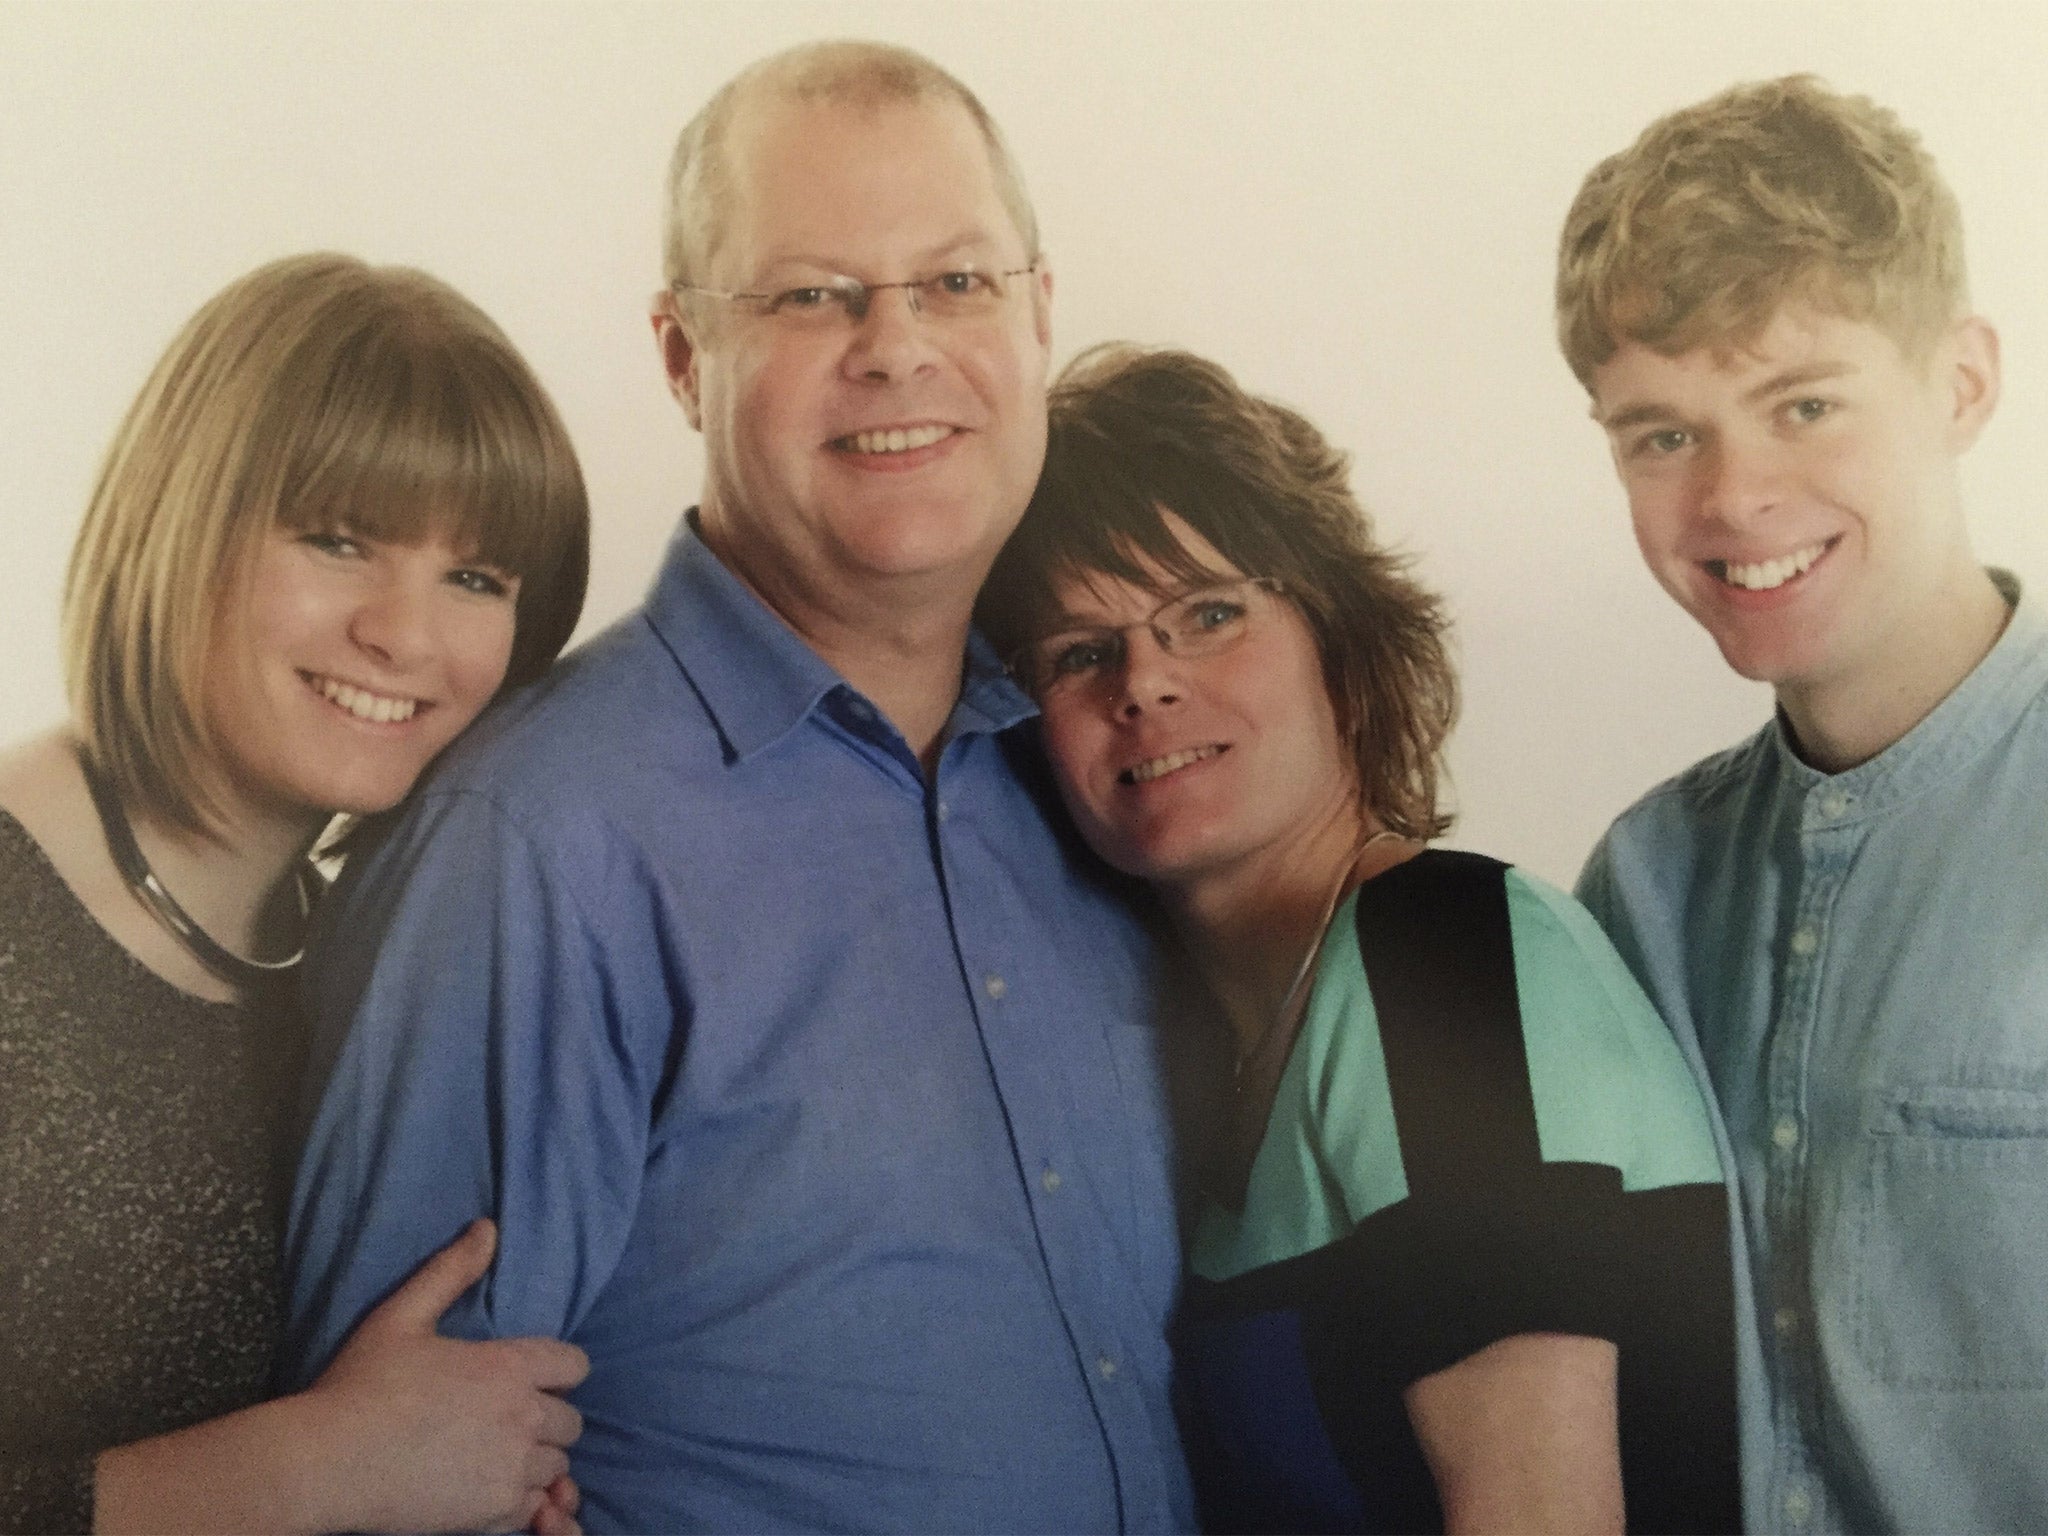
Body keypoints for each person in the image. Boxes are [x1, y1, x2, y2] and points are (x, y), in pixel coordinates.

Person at [280, 41, 1191, 1534]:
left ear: (1037, 314)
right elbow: (382, 1488)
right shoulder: (537, 851)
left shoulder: (1105, 776)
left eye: (954, 282)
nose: (895, 347)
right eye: (811, 294)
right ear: (683, 356)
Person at [976, 343, 1740, 1535]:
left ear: (1338, 638)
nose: (1144, 684)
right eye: (1080, 653)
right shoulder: (1226, 1028)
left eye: (1207, 613)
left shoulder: (1442, 961)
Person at [0, 253, 593, 1534]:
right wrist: (321, 1468)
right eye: (338, 539)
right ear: (181, 519)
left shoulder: (362, 949)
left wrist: (465, 1474)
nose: (408, 635)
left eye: (477, 578)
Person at [1559, 75, 2046, 1534]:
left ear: (1961, 382)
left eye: (1803, 403)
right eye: (1659, 433)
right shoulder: (1639, 888)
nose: (1732, 496)